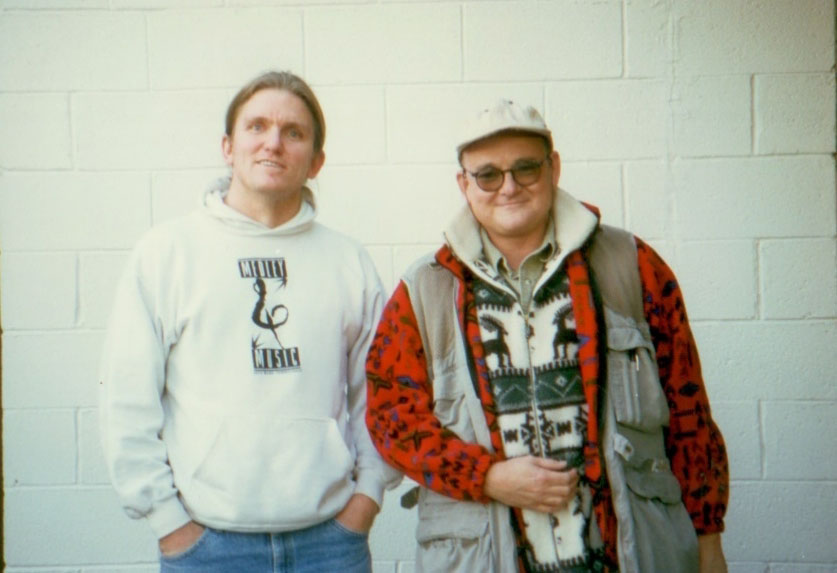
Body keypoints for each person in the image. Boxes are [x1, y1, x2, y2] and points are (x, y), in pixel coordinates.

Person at [365, 100, 729, 573]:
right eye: (488, 175)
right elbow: (389, 416)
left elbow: (689, 415)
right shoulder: (425, 289)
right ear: (464, 184)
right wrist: (487, 477)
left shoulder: (633, 265)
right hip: (486, 556)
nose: (509, 187)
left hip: (629, 556)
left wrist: (708, 540)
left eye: (526, 168)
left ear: (553, 168)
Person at [100, 70, 399, 572]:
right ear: (228, 146)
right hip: (207, 549)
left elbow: (377, 394)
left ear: (317, 160)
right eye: (256, 126)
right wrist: (169, 523)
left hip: (330, 546)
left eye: (294, 132)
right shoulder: (166, 254)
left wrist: (367, 497)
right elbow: (126, 401)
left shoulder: (348, 261)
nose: (273, 144)